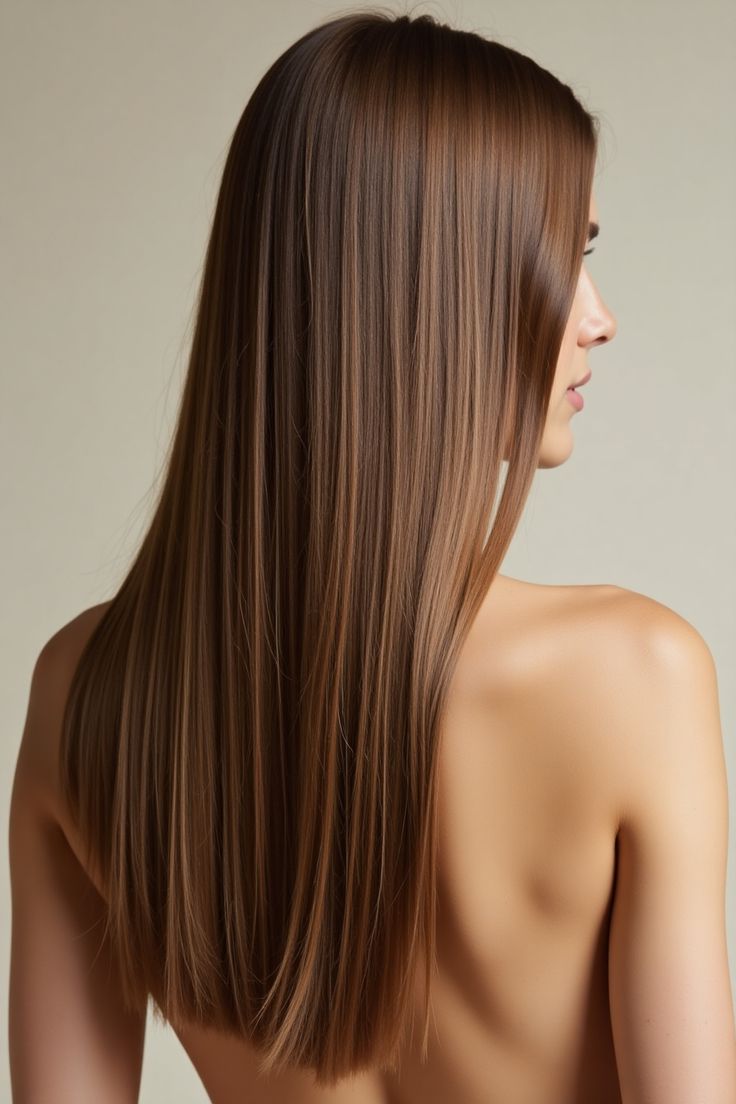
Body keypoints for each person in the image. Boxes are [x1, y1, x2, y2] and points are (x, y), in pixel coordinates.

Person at [9, 8, 736, 1103]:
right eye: (568, 258)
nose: (598, 319)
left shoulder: (86, 694)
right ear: (433, 286)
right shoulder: (636, 675)